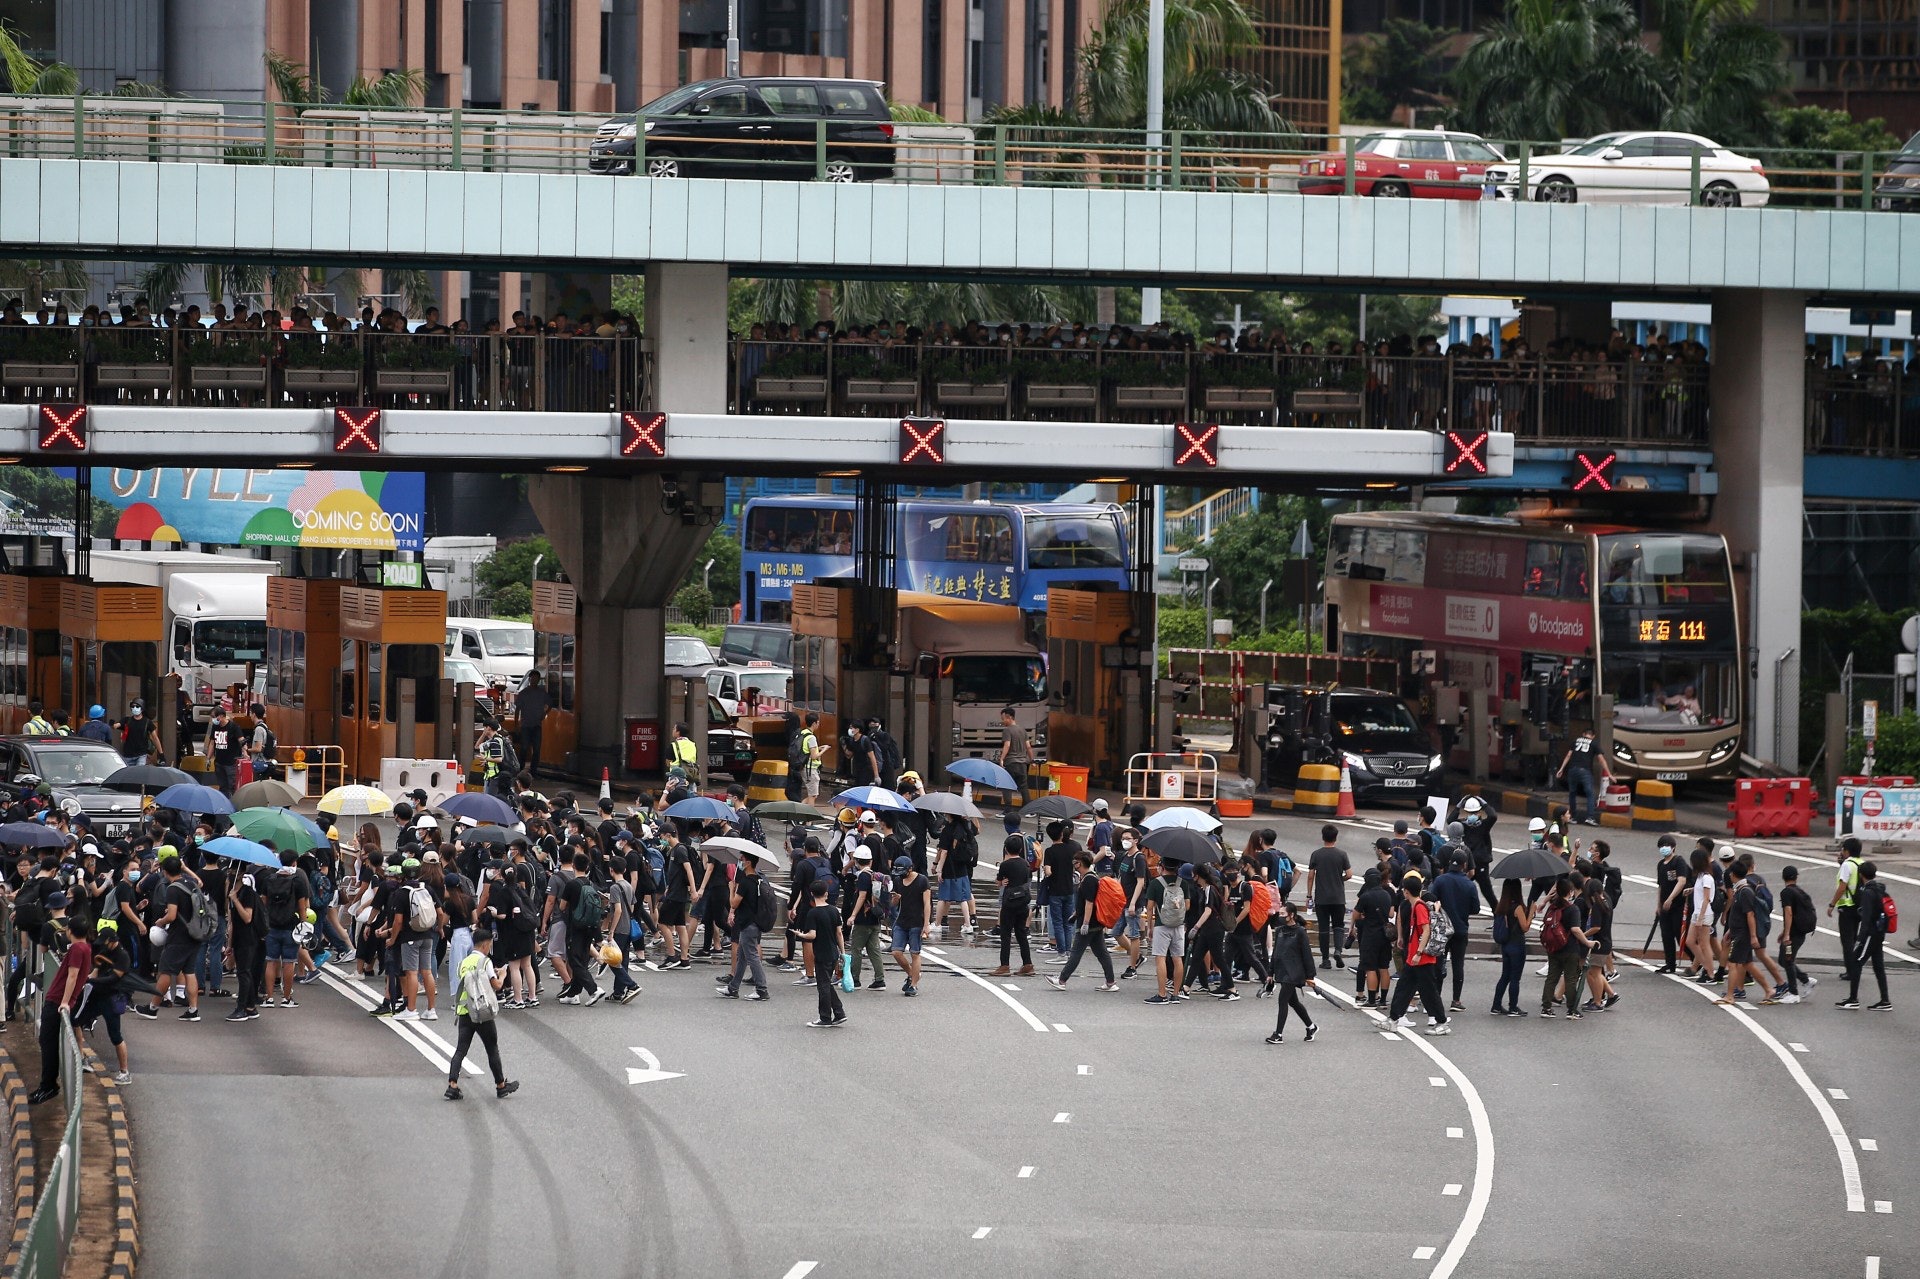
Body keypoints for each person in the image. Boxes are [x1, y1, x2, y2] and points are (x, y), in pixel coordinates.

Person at [445, 927, 519, 1101]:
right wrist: (502, 974)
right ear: (486, 945)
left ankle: (452, 1084)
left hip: (465, 1011)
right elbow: (497, 985)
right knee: (492, 1048)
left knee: (460, 1049)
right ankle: (500, 1085)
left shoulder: (463, 962)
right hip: (483, 1011)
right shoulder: (486, 962)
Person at [132, 852, 203, 1022]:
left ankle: (152, 1008)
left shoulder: (172, 888)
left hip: (179, 936)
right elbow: (200, 883)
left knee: (165, 971)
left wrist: (160, 922)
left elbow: (171, 915)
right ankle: (193, 1010)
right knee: (189, 972)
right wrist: (186, 868)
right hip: (195, 933)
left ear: (164, 871)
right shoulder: (191, 883)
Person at [30, 916, 92, 1105]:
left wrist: (64, 1001)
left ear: (70, 931)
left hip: (57, 1000)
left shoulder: (76, 949)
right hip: (58, 999)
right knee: (47, 1041)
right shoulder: (86, 948)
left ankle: (48, 1085)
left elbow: (72, 976)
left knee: (47, 1042)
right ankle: (48, 1084)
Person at [1045, 851, 1118, 992]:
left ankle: (1061, 980)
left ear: (1080, 863)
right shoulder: (1090, 878)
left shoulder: (1089, 880)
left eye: (1075, 862)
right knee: (1102, 953)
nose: (1074, 864)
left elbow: (1089, 903)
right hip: (1096, 923)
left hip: (1089, 924)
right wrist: (1075, 915)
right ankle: (1110, 982)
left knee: (1076, 953)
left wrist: (1084, 923)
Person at [1388, 872, 1449, 1035]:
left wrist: (1419, 952)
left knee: (1428, 991)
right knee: (1404, 987)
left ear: (1406, 891)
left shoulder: (1420, 907)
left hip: (1421, 958)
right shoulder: (1415, 905)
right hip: (1414, 957)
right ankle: (1393, 1018)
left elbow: (1426, 930)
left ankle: (1441, 1021)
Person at [74, 919, 132, 1084]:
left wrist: (91, 982)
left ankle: (124, 1071)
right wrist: (87, 979)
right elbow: (96, 972)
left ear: (113, 941)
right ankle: (81, 1058)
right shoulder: (105, 951)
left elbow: (114, 978)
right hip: (97, 997)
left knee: (115, 1036)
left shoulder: (122, 956)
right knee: (75, 1020)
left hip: (112, 999)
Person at [792, 881, 846, 1027]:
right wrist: (842, 952)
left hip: (821, 953)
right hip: (833, 952)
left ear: (811, 894)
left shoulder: (813, 913)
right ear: (826, 894)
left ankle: (825, 1017)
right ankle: (839, 1012)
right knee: (827, 983)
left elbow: (812, 935)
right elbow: (839, 933)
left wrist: (800, 935)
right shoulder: (834, 910)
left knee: (823, 985)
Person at [1264, 900, 1318, 1045]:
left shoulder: (1300, 932)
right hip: (1282, 971)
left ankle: (1278, 1034)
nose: (1280, 916)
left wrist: (1310, 976)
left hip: (1294, 972)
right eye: (1279, 913)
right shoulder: (1280, 931)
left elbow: (1307, 955)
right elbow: (1276, 953)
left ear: (1291, 915)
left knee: (1283, 1000)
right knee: (1293, 1001)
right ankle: (1311, 1026)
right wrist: (1270, 972)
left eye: (1282, 913)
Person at [1840, 860, 1892, 1011]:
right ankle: (1885, 1000)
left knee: (1856, 961)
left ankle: (1853, 999)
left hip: (1870, 933)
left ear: (1861, 874)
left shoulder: (1868, 892)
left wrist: (1860, 938)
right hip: (1879, 932)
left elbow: (1866, 917)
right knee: (1878, 966)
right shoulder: (1880, 888)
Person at [719, 851, 770, 1001]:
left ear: (748, 863)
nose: (739, 863)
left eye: (741, 860)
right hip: (753, 923)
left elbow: (734, 903)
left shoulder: (746, 882)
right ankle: (733, 988)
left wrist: (731, 889)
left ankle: (762, 989)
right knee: (742, 957)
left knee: (752, 957)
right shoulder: (758, 880)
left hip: (747, 924)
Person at [1432, 853, 1479, 1011]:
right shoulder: (1469, 884)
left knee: (1439, 962)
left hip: (1442, 929)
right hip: (1460, 928)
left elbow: (1432, 900)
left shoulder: (1440, 880)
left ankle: (1436, 996)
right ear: (1464, 864)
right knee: (1458, 964)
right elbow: (1476, 908)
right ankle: (1456, 1000)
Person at [1539, 876, 1589, 1019]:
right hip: (1570, 949)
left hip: (1553, 947)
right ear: (1570, 892)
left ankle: (1546, 1007)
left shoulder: (1553, 907)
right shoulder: (1572, 909)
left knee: (1551, 978)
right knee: (1570, 979)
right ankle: (1572, 1010)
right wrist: (1587, 942)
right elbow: (1575, 929)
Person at [1303, 825, 1351, 969]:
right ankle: (1337, 950)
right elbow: (1349, 874)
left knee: (1323, 928)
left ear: (1323, 837)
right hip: (1338, 897)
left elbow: (1311, 876)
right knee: (1338, 925)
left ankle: (1325, 960)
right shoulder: (1342, 854)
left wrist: (1309, 895)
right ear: (1336, 837)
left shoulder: (1316, 854)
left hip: (1322, 898)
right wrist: (1339, 879)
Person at [843, 847, 890, 988]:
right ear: (870, 861)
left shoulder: (863, 876)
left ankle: (855, 979)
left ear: (856, 861)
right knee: (874, 950)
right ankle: (879, 979)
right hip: (875, 917)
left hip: (863, 920)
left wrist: (853, 915)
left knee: (856, 949)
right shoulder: (875, 875)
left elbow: (862, 896)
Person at [1142, 861, 1188, 1005]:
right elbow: (1187, 905)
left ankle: (1162, 994)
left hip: (1162, 925)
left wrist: (1149, 927)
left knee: (1160, 958)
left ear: (1162, 867)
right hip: (1179, 925)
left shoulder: (1156, 883)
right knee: (1177, 958)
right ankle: (1175, 994)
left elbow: (1149, 908)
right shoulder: (1183, 883)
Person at [1349, 867, 1395, 1008]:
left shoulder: (1366, 896)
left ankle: (1371, 1000)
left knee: (1370, 968)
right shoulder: (1386, 895)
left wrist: (1355, 924)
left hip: (1370, 934)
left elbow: (1356, 914)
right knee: (1384, 967)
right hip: (1384, 935)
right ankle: (1383, 1000)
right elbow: (1391, 914)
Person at [990, 835, 1034, 977]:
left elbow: (999, 882)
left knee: (1006, 934)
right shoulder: (1026, 864)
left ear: (1006, 849)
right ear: (1021, 849)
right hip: (1023, 902)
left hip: (1009, 902)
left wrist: (1002, 883)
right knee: (1021, 933)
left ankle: (1004, 965)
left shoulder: (1005, 865)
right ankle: (1027, 964)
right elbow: (1027, 880)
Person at [1828, 837, 1865, 1000]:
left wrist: (1832, 904)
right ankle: (1853, 967)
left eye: (1843, 849)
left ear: (1847, 851)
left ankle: (1851, 970)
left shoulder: (1847, 865)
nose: (1841, 852)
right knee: (1854, 938)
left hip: (1847, 906)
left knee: (1847, 940)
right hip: (1859, 907)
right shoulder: (1861, 863)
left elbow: (1843, 886)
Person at [888, 856, 931, 996]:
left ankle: (913, 985)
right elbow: (893, 904)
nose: (900, 876)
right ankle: (913, 974)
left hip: (917, 922)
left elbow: (927, 904)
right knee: (896, 952)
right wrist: (895, 899)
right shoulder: (897, 880)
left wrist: (926, 924)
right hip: (902, 921)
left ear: (910, 868)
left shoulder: (922, 880)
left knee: (915, 953)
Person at [1489, 878, 1532, 1016]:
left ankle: (1496, 1005)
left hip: (1506, 945)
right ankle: (1513, 1007)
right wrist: (1531, 912)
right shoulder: (1517, 907)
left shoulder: (1501, 907)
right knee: (1515, 978)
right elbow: (1525, 927)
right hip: (1517, 945)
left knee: (1505, 976)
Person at [1776, 865, 1817, 1003]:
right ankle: (1805, 980)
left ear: (1783, 877)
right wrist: (1784, 932)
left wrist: (1786, 934)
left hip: (1794, 933)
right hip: (1799, 931)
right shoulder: (1800, 891)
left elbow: (1789, 913)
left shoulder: (1786, 892)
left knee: (1787, 960)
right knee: (1784, 959)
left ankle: (1794, 993)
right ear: (1796, 877)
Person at [1553, 727, 1608, 824]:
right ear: (1593, 736)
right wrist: (1609, 773)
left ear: (1583, 734)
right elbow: (1601, 759)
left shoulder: (1575, 741)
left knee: (1572, 793)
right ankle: (1590, 817)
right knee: (1590, 794)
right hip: (1585, 771)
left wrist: (1561, 769)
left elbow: (1569, 755)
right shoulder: (1594, 743)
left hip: (1572, 770)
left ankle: (1572, 817)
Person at [1040, 821, 1079, 958]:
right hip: (1069, 889)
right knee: (1068, 923)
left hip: (1055, 891)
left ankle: (1061, 952)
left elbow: (1048, 871)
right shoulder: (1070, 849)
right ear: (1062, 834)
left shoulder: (1049, 851)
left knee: (1057, 922)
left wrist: (1046, 870)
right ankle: (1068, 951)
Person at [1653, 835, 1688, 972]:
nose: (1663, 849)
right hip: (1665, 906)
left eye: (1666, 846)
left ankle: (1695, 960)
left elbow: (1682, 881)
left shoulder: (1678, 862)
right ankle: (1670, 964)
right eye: (1661, 846)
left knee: (1679, 934)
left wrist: (1671, 898)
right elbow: (1660, 886)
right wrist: (1659, 905)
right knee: (1666, 935)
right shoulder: (1661, 865)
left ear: (1673, 847)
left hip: (1678, 904)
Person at [995, 707, 1031, 833]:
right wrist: (1031, 759)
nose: (1003, 721)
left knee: (1006, 786)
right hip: (1022, 763)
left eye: (1003, 718)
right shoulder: (1023, 730)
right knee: (1023, 786)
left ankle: (1008, 810)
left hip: (1011, 762)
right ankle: (1028, 810)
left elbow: (1007, 745)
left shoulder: (1007, 730)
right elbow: (1028, 746)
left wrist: (1001, 759)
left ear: (1009, 717)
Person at [515, 670, 551, 772]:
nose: (534, 680)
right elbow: (517, 709)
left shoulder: (542, 693)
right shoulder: (523, 693)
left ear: (539, 680)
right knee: (524, 748)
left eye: (536, 679)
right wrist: (516, 724)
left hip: (537, 725)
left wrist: (545, 713)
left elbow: (550, 703)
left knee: (536, 749)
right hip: (525, 725)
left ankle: (533, 770)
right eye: (532, 678)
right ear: (529, 679)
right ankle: (520, 768)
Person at [204, 707, 245, 795]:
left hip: (231, 763)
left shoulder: (234, 727)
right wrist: (208, 758)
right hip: (219, 762)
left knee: (232, 786)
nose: (213, 719)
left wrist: (245, 752)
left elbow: (241, 740)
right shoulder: (215, 727)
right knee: (222, 787)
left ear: (222, 716)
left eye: (214, 717)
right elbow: (212, 743)